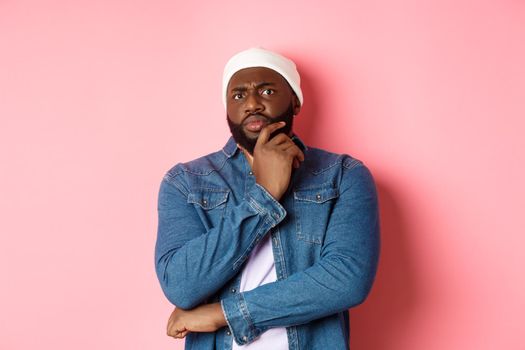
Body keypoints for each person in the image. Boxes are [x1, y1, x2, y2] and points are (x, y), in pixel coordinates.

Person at [154, 47, 380, 350]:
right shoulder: (186, 182)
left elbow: (346, 279)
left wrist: (225, 313)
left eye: (267, 90)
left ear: (295, 102)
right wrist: (264, 196)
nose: (251, 104)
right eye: (238, 96)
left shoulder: (343, 175)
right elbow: (181, 286)